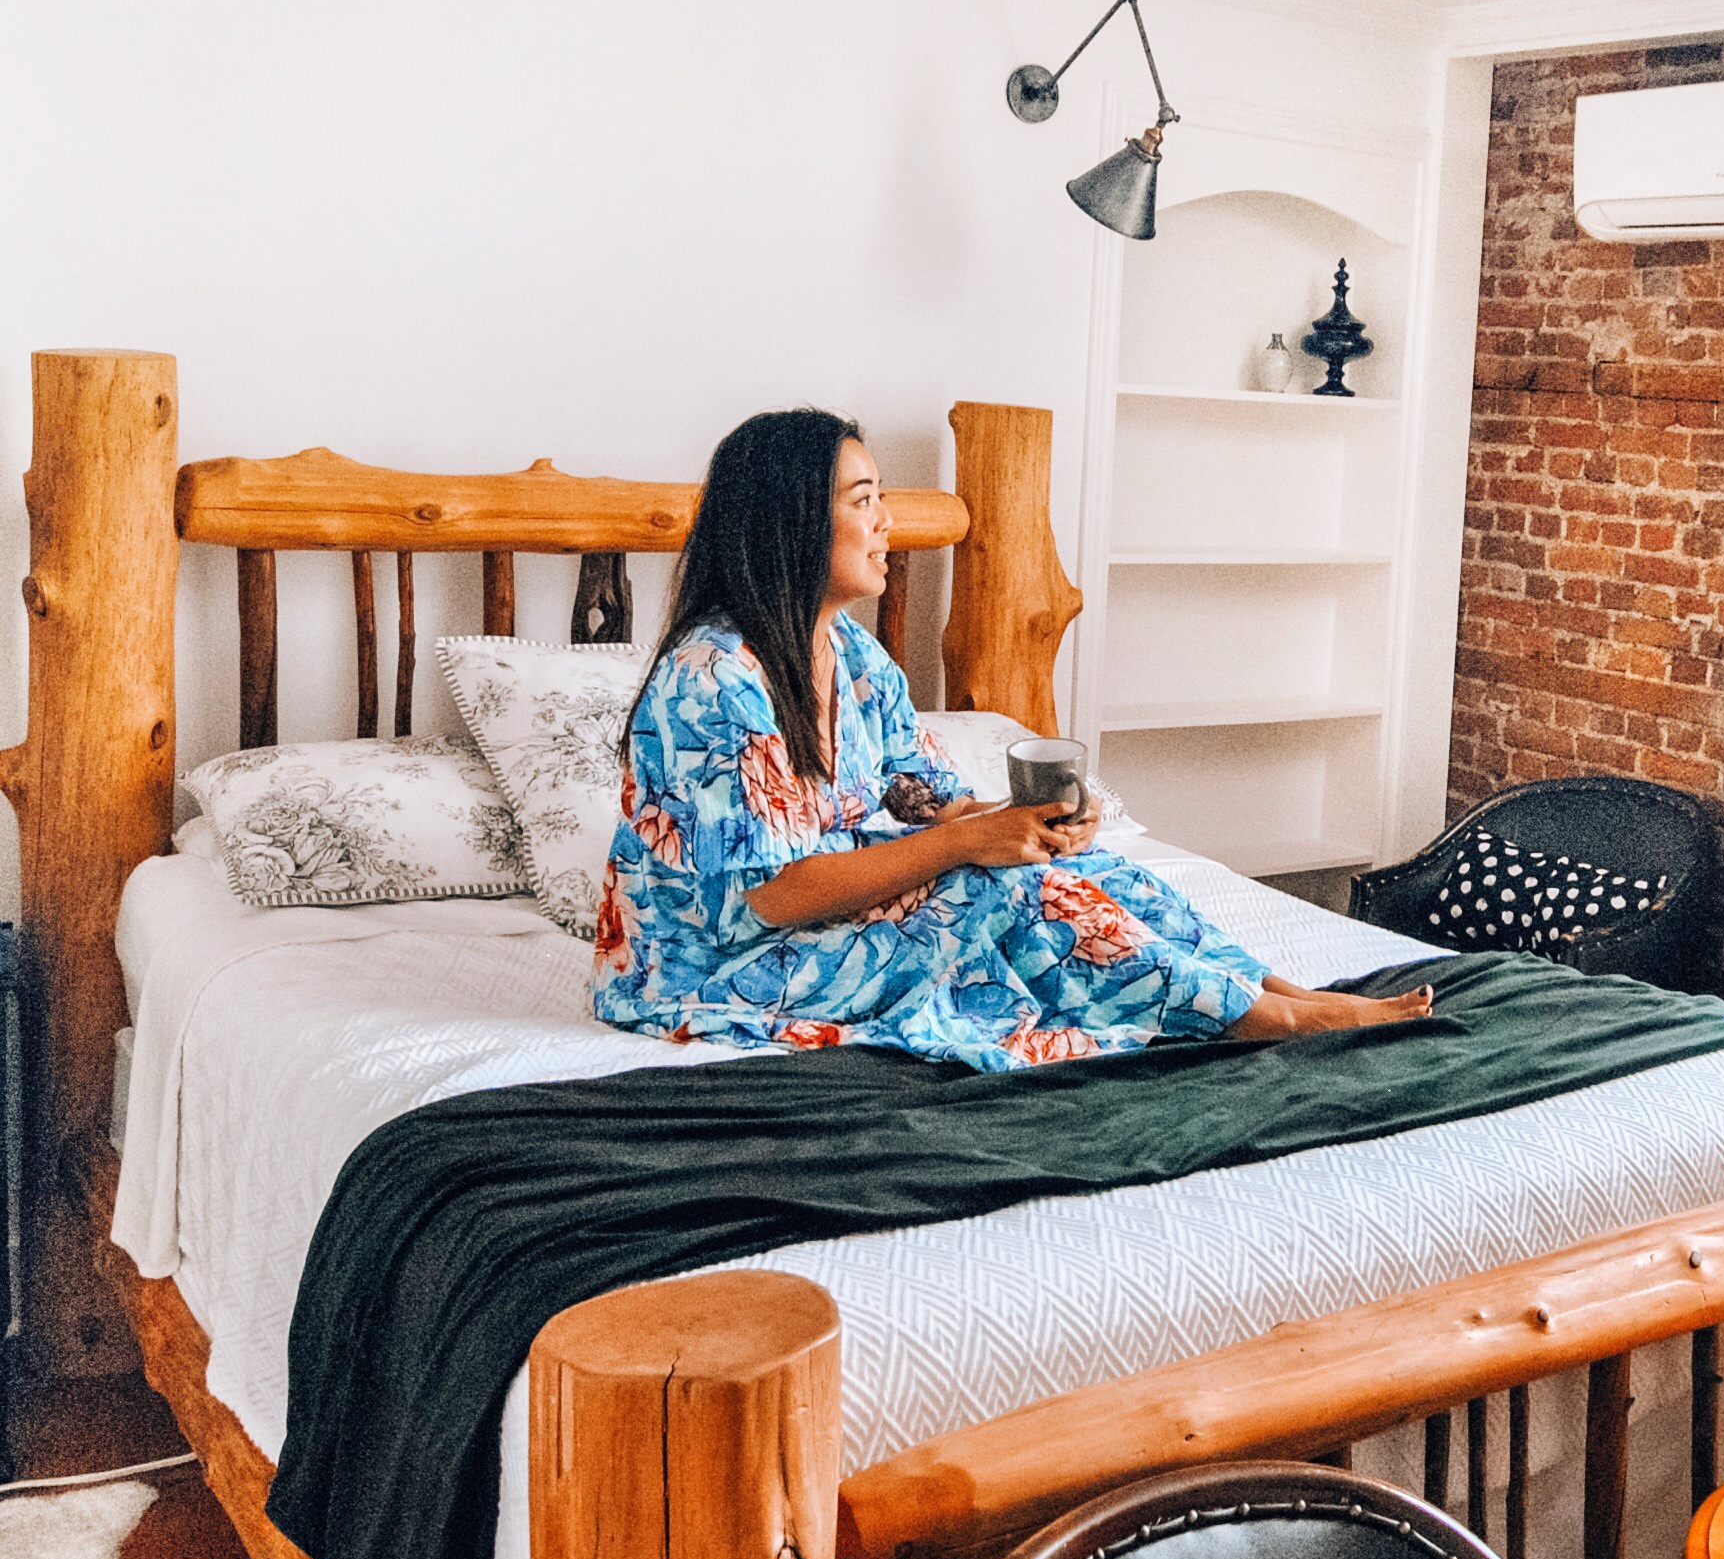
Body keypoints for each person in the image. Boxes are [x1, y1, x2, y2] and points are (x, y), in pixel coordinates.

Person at [592, 408, 1435, 1068]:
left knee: (1077, 868)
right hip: (713, 963)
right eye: (864, 501)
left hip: (818, 919)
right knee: (1004, 895)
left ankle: (1273, 991)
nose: (888, 521)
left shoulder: (851, 651)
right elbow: (775, 896)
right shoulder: (712, 680)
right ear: (789, 525)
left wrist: (1025, 825)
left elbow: (921, 794)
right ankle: (1271, 1021)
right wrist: (971, 844)